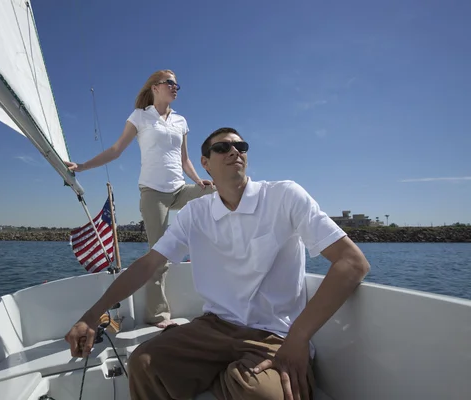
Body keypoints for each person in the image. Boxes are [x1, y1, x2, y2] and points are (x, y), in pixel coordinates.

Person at [65, 127, 371, 400]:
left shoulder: (284, 196)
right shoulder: (194, 213)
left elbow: (352, 263)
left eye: (241, 147)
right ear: (206, 163)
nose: (235, 151)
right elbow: (148, 264)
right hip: (213, 327)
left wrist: (299, 337)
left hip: (273, 334)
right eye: (223, 148)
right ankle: (224, 375)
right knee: (143, 364)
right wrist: (91, 316)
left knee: (260, 394)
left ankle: (223, 377)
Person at [64, 69, 214, 328]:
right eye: (170, 83)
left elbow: (185, 160)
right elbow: (116, 149)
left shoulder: (181, 121)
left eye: (177, 84)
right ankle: (158, 315)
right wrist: (82, 166)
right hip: (153, 194)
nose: (176, 87)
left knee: (218, 190)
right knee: (159, 254)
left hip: (180, 190)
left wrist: (199, 181)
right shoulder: (140, 117)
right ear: (155, 87)